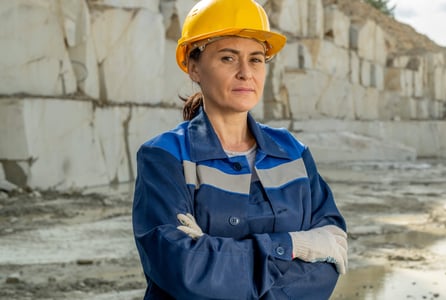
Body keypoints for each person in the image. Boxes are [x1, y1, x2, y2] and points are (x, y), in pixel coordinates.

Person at [132, 0, 348, 299]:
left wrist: (215, 254)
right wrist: (295, 245)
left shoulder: (293, 153)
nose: (246, 73)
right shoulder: (164, 156)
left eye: (256, 59)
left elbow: (330, 260)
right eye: (228, 58)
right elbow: (183, 270)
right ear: (194, 67)